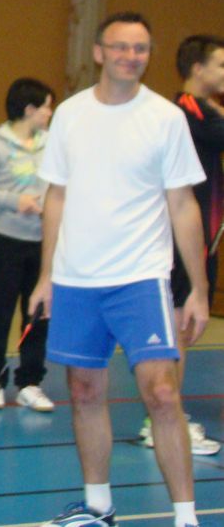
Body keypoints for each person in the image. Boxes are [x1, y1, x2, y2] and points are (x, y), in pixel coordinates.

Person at [29, 12, 211, 527]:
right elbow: (56, 196)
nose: (132, 56)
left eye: (142, 48)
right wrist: (46, 276)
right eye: (122, 47)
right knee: (84, 392)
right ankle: (99, 507)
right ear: (100, 52)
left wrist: (197, 288)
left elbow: (183, 204)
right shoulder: (69, 114)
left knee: (162, 393)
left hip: (140, 278)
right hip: (76, 279)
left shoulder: (165, 118)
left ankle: (185, 517)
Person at [139, 34, 224, 456]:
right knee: (177, 326)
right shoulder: (187, 112)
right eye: (221, 66)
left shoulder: (207, 111)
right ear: (197, 69)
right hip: (179, 239)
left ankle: (164, 414)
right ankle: (161, 421)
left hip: (202, 237)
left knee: (184, 329)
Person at [0, 78, 55, 413]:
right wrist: (13, 200)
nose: (49, 112)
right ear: (29, 109)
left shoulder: (51, 143)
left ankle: (30, 382)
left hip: (42, 244)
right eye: (46, 105)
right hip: (3, 243)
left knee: (38, 316)